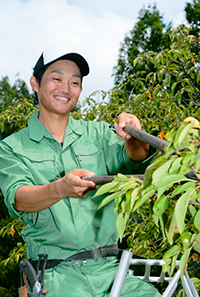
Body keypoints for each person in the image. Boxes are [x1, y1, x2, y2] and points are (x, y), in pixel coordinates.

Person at [0, 45, 161, 297]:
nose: (65, 88)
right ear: (35, 83)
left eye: (74, 82)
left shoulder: (97, 134)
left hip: (113, 270)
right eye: (56, 78)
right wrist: (59, 188)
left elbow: (134, 159)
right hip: (55, 275)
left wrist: (133, 137)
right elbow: (19, 198)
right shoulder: (11, 148)